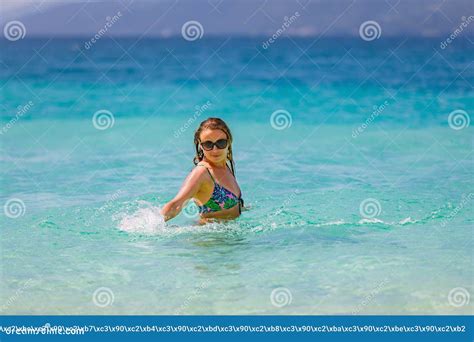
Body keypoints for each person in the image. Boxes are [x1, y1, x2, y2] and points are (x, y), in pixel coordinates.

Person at [160, 117, 244, 222]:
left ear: (229, 141)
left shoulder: (224, 166)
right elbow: (176, 204)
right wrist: (154, 225)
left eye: (221, 143)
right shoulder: (202, 173)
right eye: (208, 144)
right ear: (200, 145)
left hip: (232, 236)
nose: (215, 150)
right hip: (209, 237)